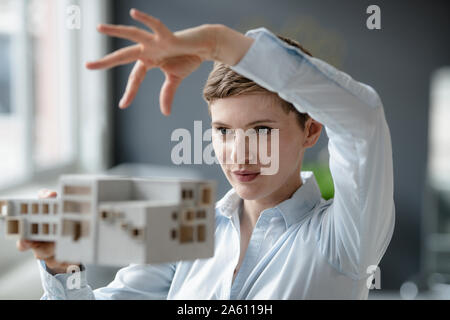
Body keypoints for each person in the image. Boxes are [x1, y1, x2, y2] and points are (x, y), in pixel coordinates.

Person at [17, 8, 395, 299]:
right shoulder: (190, 229)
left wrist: (217, 42)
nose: (239, 153)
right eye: (223, 131)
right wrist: (63, 268)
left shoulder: (344, 237)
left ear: (310, 130)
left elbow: (362, 119)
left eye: (261, 130)